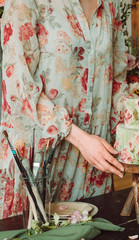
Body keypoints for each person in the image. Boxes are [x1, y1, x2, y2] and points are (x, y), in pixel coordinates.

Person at [0, 0, 128, 219]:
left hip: (92, 161)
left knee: (93, 229)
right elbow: (18, 85)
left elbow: (116, 81)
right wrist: (79, 138)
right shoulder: (27, 2)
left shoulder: (109, 5)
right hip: (38, 157)